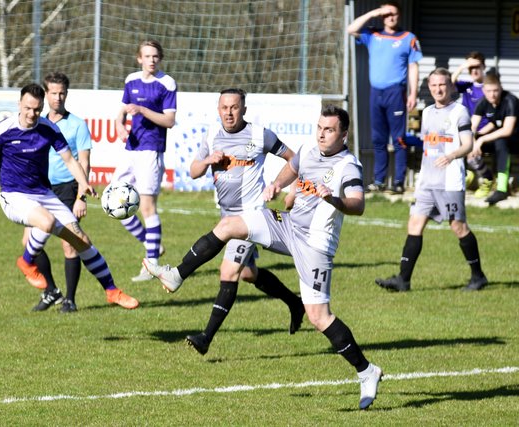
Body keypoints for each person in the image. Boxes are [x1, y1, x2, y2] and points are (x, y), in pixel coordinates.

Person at [144, 105, 383, 410]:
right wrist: (278, 184)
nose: (322, 134)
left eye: (330, 130)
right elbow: (294, 166)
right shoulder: (310, 147)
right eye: (320, 127)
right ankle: (176, 274)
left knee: (318, 317)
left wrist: (332, 198)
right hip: (288, 226)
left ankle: (366, 371)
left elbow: (358, 204)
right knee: (229, 224)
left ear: (344, 134)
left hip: (315, 245)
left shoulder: (348, 166)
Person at [0, 83, 139, 310]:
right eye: (28, 108)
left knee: (82, 241)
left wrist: (83, 184)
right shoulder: (1, 131)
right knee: (48, 221)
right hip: (13, 196)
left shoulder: (48, 128)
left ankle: (112, 291)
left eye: (37, 109)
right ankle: (26, 261)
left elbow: (70, 160)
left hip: (44, 193)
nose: (32, 114)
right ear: (19, 105)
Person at [180, 88, 304, 355]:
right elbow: (192, 171)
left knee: (228, 273)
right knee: (248, 273)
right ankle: (295, 303)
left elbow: (294, 159)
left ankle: (205, 338)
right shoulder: (212, 137)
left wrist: (288, 187)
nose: (229, 112)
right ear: (218, 109)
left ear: (244, 109)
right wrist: (208, 161)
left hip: (251, 215)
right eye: (224, 107)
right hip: (228, 216)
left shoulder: (260, 135)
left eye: (234, 107)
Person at [19, 72, 136, 312]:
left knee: (70, 243)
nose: (58, 98)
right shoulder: (37, 123)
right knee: (28, 241)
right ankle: (51, 290)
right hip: (39, 188)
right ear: (45, 95)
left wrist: (81, 196)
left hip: (67, 187)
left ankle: (70, 299)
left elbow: (83, 161)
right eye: (53, 93)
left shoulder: (76, 125)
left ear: (66, 94)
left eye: (62, 93)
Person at [375, 68, 488, 292]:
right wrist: (410, 142)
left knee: (458, 226)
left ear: (451, 87)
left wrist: (452, 155)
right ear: (429, 87)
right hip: (427, 181)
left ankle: (478, 276)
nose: (438, 89)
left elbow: (468, 144)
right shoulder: (426, 112)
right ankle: (403, 280)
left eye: (442, 85)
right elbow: (429, 144)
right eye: (434, 85)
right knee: (415, 224)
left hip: (450, 182)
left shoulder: (460, 112)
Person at [114, 40, 177, 282]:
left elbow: (169, 121)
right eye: (147, 56)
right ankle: (152, 245)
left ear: (159, 58)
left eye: (155, 56)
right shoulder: (131, 80)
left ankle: (152, 266)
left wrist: (142, 110)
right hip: (131, 149)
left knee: (147, 207)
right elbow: (120, 114)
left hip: (152, 151)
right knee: (114, 201)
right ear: (139, 58)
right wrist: (120, 127)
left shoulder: (167, 83)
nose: (151, 60)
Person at [347, 1, 422, 194]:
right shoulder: (373, 34)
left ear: (400, 16)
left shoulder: (408, 38)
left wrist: (413, 93)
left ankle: (398, 182)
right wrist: (374, 12)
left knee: (399, 140)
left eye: (394, 14)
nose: (391, 17)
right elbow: (350, 29)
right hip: (376, 93)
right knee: (378, 139)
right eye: (387, 14)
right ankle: (379, 181)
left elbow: (414, 66)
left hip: (396, 92)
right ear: (382, 16)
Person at [469, 74, 519, 205]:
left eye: (496, 90)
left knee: (500, 141)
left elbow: (507, 130)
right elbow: (472, 126)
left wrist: (481, 139)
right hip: (500, 139)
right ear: (484, 90)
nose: (493, 94)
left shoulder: (510, 100)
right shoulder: (483, 102)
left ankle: (502, 190)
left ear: (501, 88)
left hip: (515, 140)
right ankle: (484, 177)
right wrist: (474, 139)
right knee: (468, 142)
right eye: (489, 91)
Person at [451, 51, 494, 197]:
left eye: (477, 66)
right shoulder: (467, 86)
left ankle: (487, 178)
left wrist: (477, 136)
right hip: (467, 131)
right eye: (471, 68)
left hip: (484, 133)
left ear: (483, 67)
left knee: (470, 149)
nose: (474, 71)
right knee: (448, 143)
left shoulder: (489, 89)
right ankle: (465, 174)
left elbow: (494, 121)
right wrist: (463, 66)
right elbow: (449, 84)